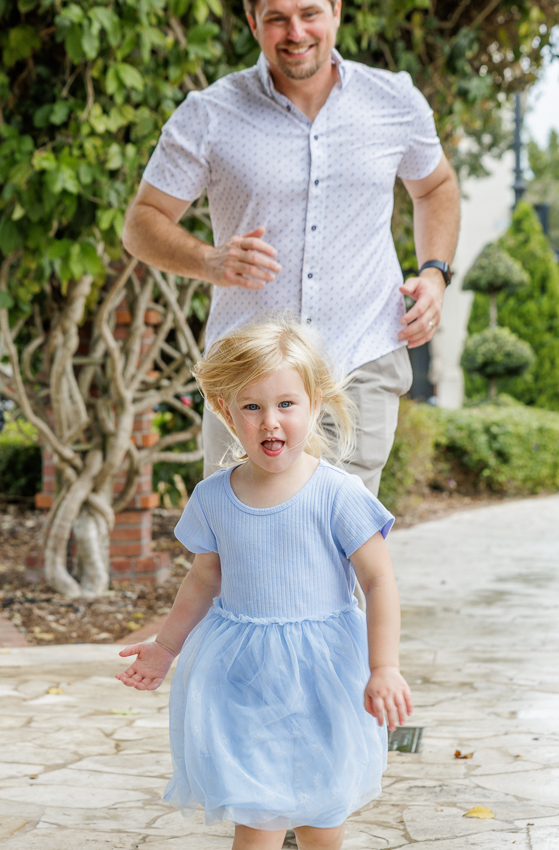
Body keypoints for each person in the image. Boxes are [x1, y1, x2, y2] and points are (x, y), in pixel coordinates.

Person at [123, 0, 460, 496]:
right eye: (277, 18)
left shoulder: (394, 99)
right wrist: (209, 259)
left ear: (337, 11)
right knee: (238, 544)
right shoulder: (210, 113)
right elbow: (141, 223)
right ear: (251, 20)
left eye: (309, 13)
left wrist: (435, 273)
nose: (295, 32)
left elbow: (435, 188)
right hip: (244, 376)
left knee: (342, 545)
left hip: (358, 361)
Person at [116, 315, 412, 850]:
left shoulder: (337, 495)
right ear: (227, 413)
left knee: (323, 816)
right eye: (251, 407)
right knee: (258, 817)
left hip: (324, 671)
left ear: (315, 404)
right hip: (242, 672)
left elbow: (379, 580)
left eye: (286, 405)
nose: (270, 422)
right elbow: (203, 580)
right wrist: (163, 648)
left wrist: (383, 666)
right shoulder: (213, 497)